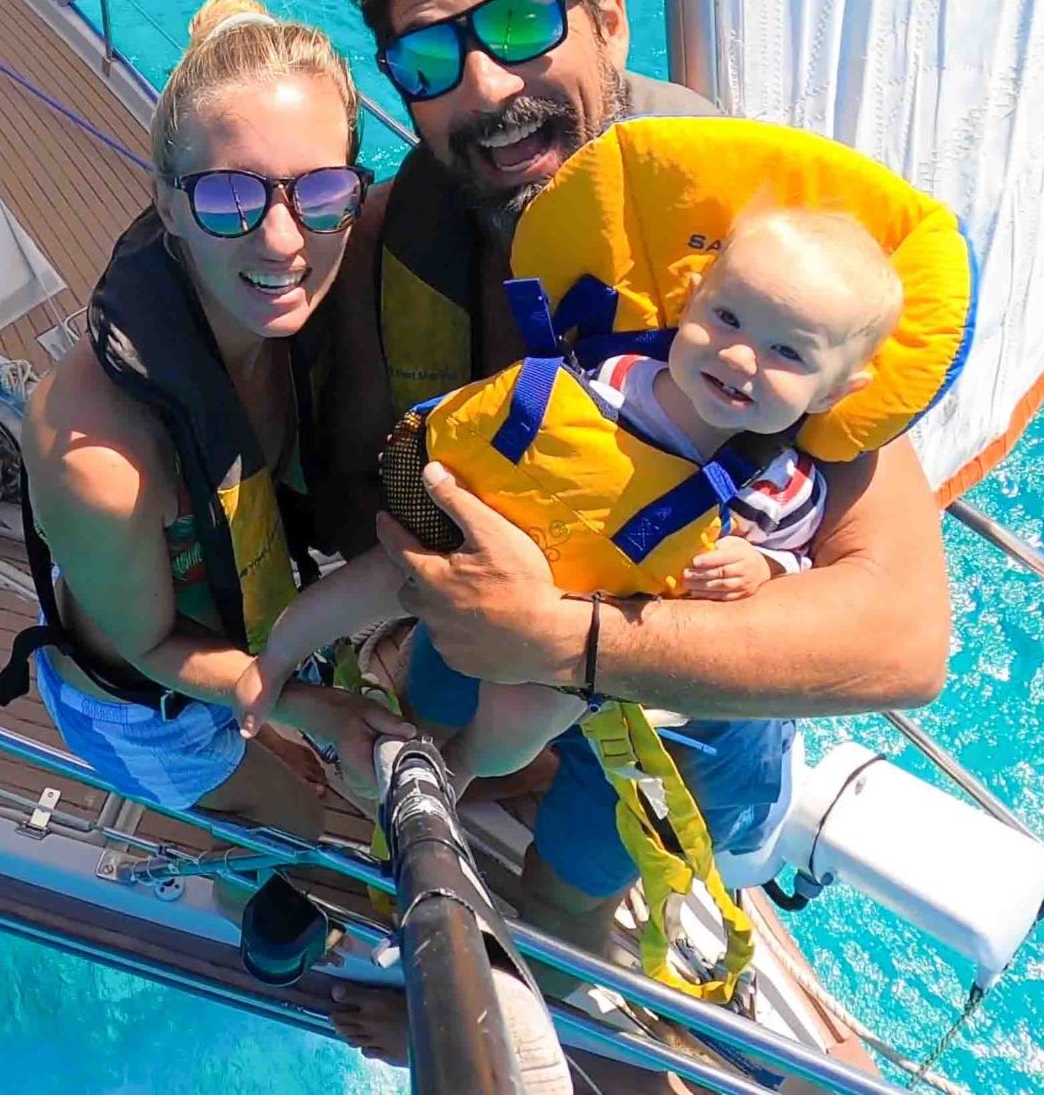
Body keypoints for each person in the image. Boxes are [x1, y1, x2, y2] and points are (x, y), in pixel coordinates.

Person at [317, 0, 951, 985]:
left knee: (574, 904)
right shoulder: (405, 227)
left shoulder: (760, 265)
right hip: (484, 678)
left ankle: (549, 1000)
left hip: (674, 702)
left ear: (606, 16)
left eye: (520, 21)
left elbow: (904, 638)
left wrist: (564, 645)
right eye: (427, 58)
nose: (483, 85)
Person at [236, 204, 903, 796]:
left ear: (832, 393)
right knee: (370, 582)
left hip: (576, 618)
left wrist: (760, 568)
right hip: (475, 545)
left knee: (521, 726)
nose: (740, 357)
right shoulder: (617, 368)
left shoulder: (776, 485)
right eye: (727, 317)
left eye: (786, 351)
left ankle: (460, 769)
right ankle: (274, 663)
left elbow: (795, 561)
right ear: (691, 300)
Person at [2, 0, 412, 867]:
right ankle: (247, 904)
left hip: (241, 636)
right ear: (167, 202)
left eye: (321, 191)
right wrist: (310, 707)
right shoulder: (99, 455)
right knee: (289, 827)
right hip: (143, 704)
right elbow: (148, 647)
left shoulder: (302, 314)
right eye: (229, 196)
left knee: (295, 770)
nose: (282, 241)